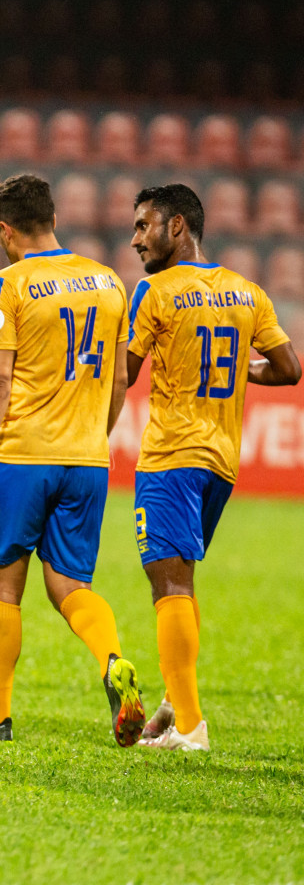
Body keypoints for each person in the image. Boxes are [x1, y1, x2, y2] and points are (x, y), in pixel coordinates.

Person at [0, 174, 144, 747]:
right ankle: (112, 658)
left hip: (22, 456)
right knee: (70, 584)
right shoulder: (109, 282)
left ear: (6, 230)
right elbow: (120, 377)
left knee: (2, 586)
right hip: (88, 460)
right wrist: (96, 436)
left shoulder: (8, 284)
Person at [125, 183, 299, 752]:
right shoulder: (247, 292)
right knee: (182, 579)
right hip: (222, 461)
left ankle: (192, 726)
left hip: (172, 455)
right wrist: (238, 371)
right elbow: (289, 369)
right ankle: (178, 701)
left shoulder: (155, 291)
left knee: (166, 581)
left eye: (144, 225)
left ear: (178, 226)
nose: (135, 239)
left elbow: (124, 373)